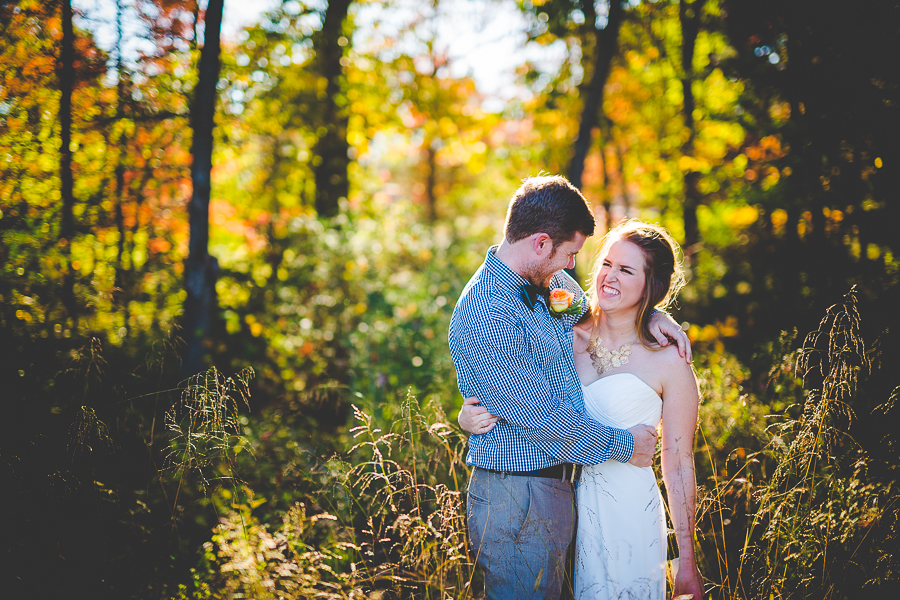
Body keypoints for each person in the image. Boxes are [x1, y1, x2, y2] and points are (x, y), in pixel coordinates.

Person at [448, 176, 692, 600]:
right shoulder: (486, 311)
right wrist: (624, 444)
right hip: (516, 493)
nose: (575, 268)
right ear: (541, 244)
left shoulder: (551, 286)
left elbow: (598, 310)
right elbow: (542, 420)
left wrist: (655, 317)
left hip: (565, 493)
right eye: (570, 255)